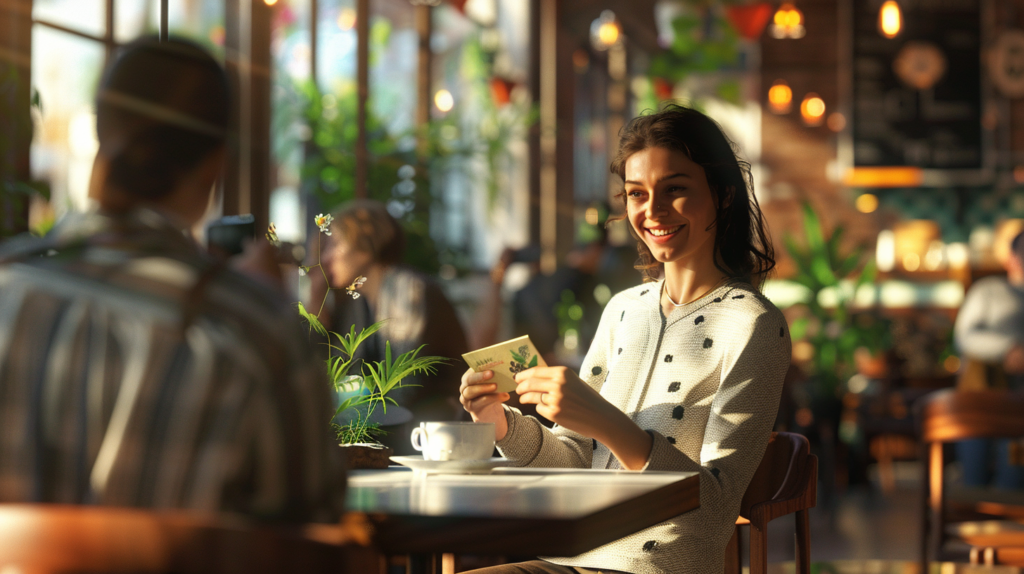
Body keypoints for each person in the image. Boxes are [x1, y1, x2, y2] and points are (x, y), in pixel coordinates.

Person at [0, 37, 342, 522]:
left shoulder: (9, 285)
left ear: (100, 131)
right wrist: (261, 301)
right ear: (214, 165)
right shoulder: (255, 333)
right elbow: (312, 532)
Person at [459, 104, 791, 574]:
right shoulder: (623, 309)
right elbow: (572, 461)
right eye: (637, 194)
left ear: (720, 194)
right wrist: (499, 422)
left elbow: (716, 506)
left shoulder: (753, 323)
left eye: (674, 190)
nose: (651, 211)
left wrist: (607, 422)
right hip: (569, 558)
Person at [318, 199, 470, 455]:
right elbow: (340, 381)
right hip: (407, 437)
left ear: (365, 247)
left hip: (435, 442)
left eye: (336, 244)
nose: (326, 257)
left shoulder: (408, 294)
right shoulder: (359, 302)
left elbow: (400, 391)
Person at [952, 230, 1024, 489]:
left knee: (1013, 481)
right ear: (1011, 259)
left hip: (1019, 410)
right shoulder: (988, 292)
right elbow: (964, 337)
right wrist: (1007, 350)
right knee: (975, 480)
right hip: (983, 400)